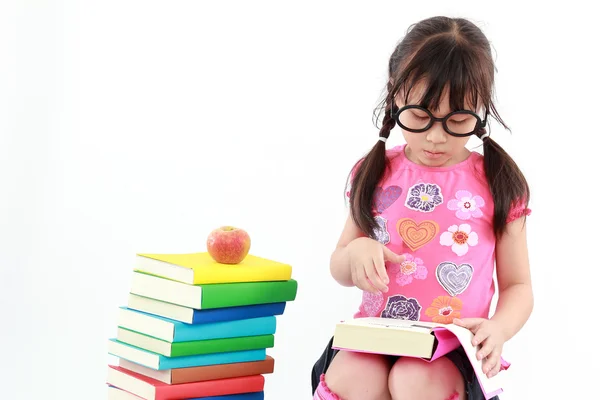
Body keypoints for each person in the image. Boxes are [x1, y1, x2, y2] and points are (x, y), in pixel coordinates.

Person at [311, 16, 533, 400]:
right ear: (395, 95)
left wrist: (499, 328)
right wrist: (356, 253)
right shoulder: (375, 170)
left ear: (481, 110)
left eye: (458, 120)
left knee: (414, 378)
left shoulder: (496, 182)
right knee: (354, 374)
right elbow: (339, 264)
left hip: (449, 349)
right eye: (418, 116)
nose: (435, 136)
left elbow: (519, 285)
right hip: (373, 338)